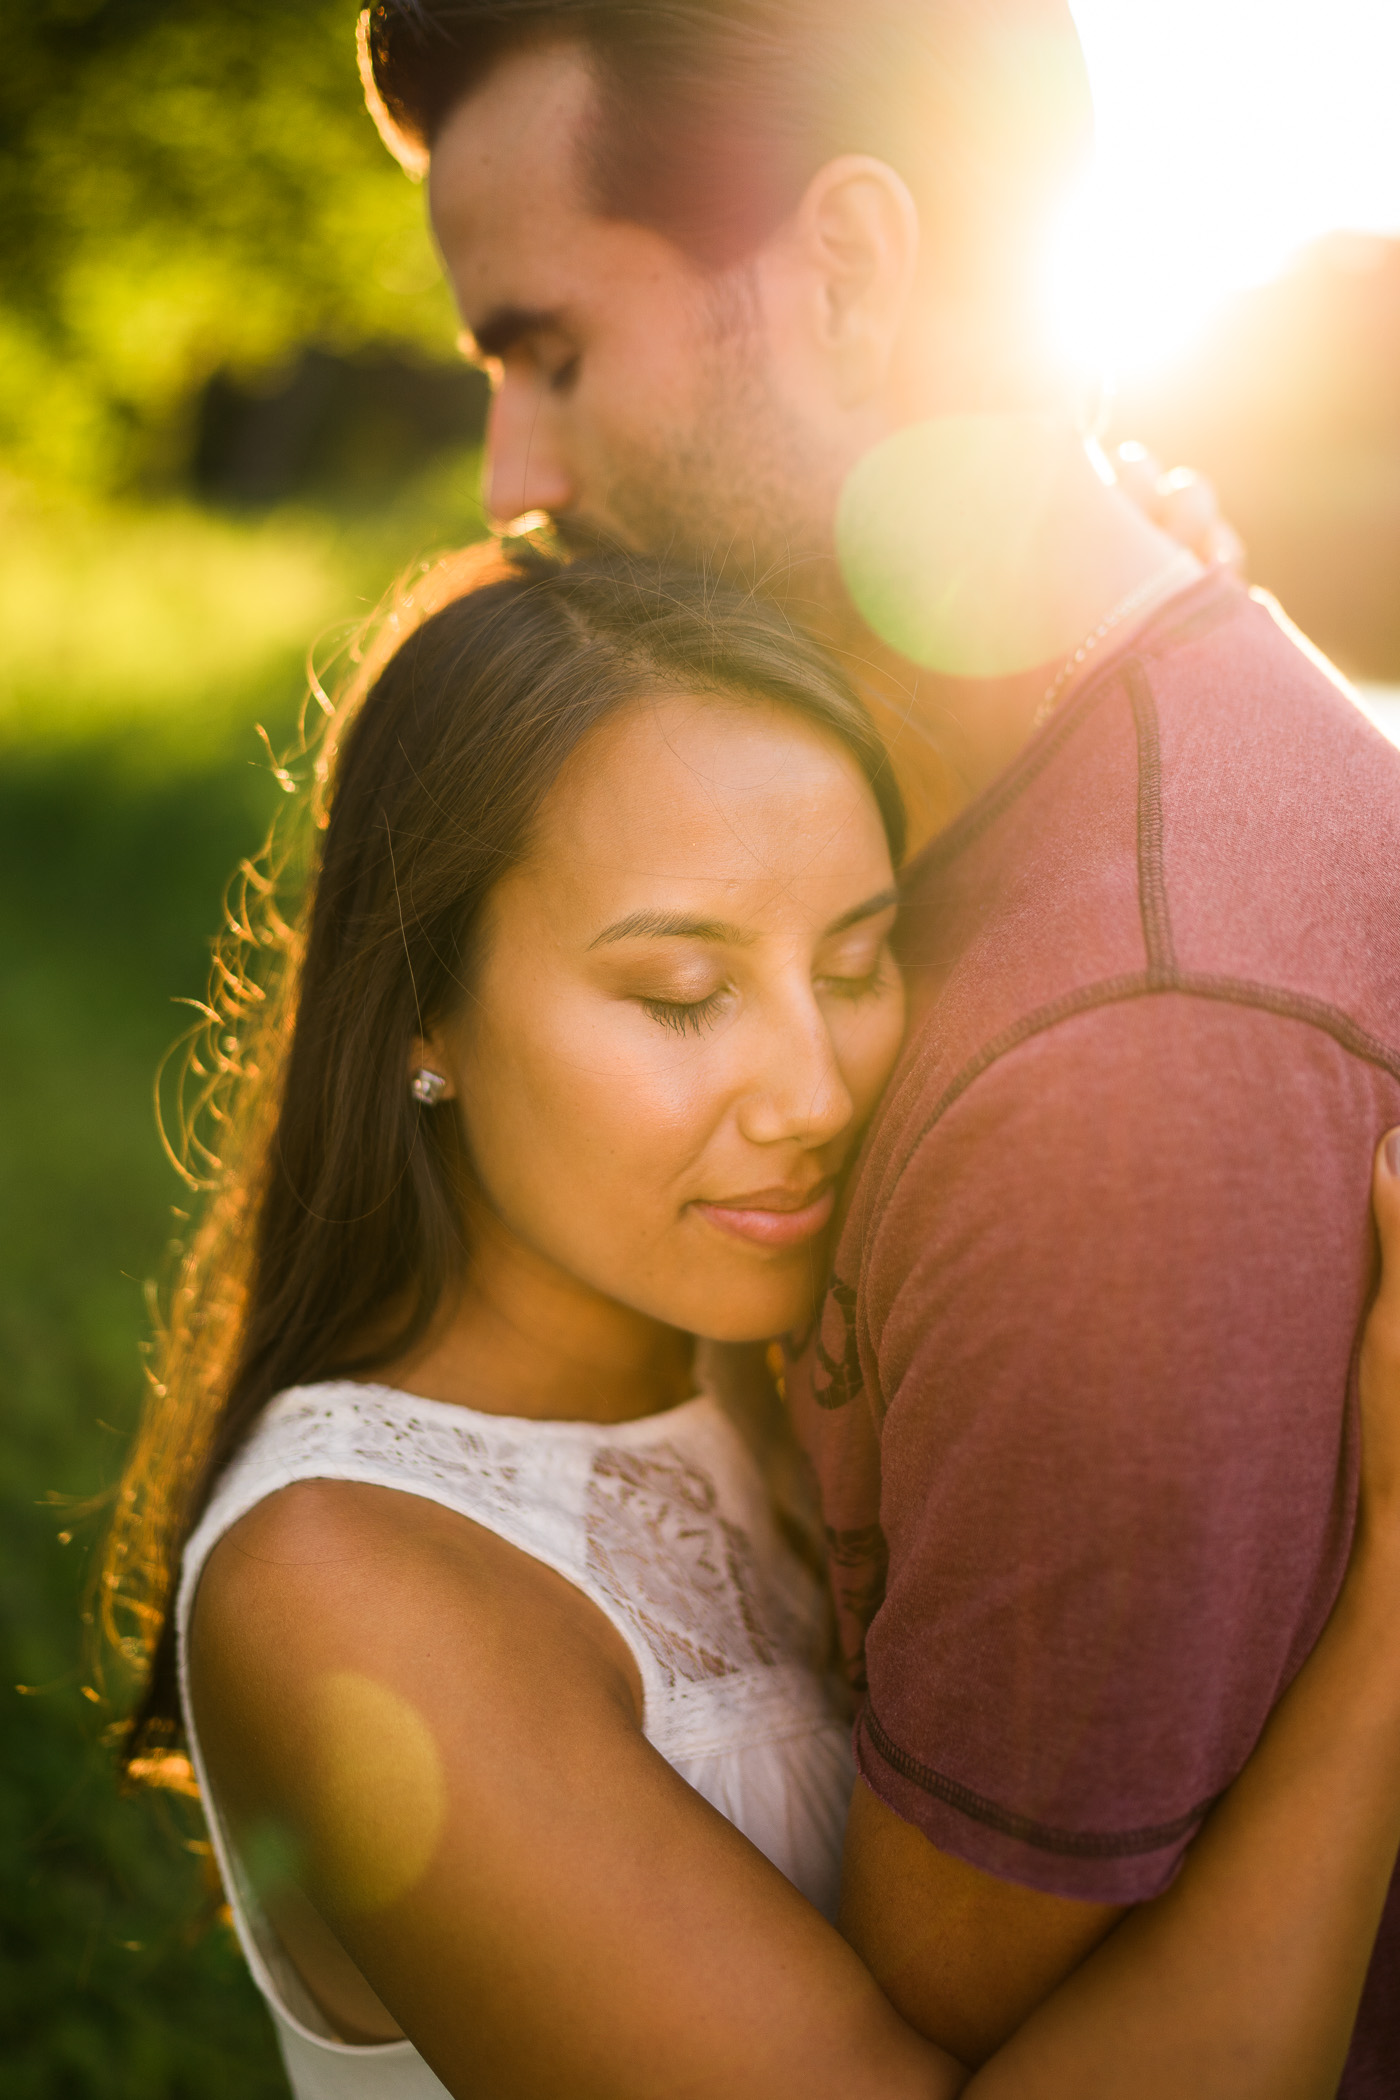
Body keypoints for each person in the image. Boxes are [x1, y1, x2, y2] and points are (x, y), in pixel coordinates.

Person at [349, 3, 1400, 2087]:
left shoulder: (1115, 1073)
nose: (511, 482)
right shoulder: (968, 803)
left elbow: (928, 2008)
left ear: (843, 272)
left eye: (546, 353)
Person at [107, 545, 1400, 2100]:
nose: (816, 1095)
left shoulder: (756, 1351)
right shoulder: (343, 1590)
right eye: (680, 993)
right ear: (423, 1012)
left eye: (857, 961)